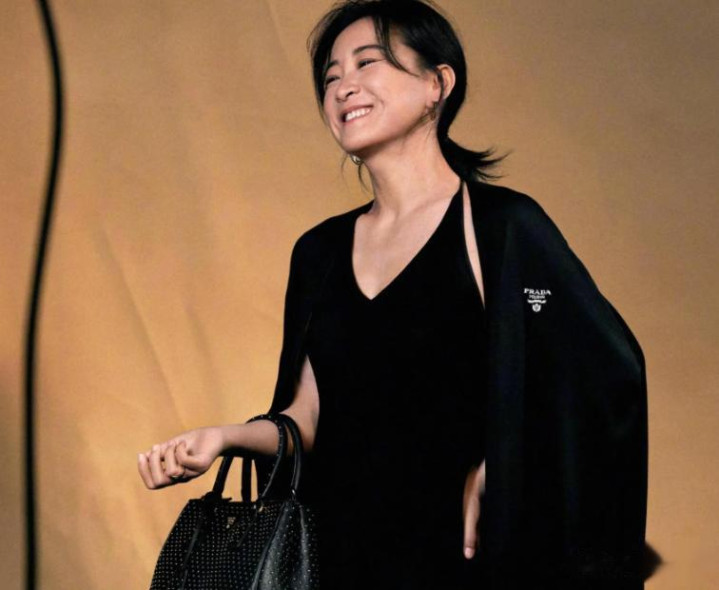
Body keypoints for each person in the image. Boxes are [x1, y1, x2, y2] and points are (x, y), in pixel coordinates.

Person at [138, 1, 648, 589]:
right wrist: (224, 437)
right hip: (337, 556)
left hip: (460, 559)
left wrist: (505, 467)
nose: (343, 87)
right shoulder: (319, 252)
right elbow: (306, 420)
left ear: (437, 84)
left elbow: (606, 375)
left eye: (367, 63)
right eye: (331, 76)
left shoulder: (501, 228)